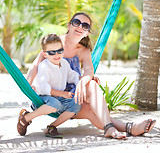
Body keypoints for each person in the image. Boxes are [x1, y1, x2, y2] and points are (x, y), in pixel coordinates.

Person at [26, 12, 156, 139]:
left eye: (85, 26)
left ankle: (115, 128)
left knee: (91, 90)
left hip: (72, 98)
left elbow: (89, 71)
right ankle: (127, 127)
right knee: (90, 102)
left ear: (87, 33)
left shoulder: (83, 51)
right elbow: (35, 65)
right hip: (51, 96)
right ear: (69, 25)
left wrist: (83, 81)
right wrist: (28, 85)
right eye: (76, 22)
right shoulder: (55, 43)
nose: (80, 27)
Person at [17, 34, 81, 138]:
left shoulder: (64, 63)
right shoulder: (44, 66)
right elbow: (43, 88)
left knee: (76, 105)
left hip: (58, 99)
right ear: (45, 54)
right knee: (56, 104)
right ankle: (26, 118)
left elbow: (72, 77)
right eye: (52, 52)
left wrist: (86, 79)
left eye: (59, 50)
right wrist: (62, 93)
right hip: (42, 98)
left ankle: (52, 127)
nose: (57, 55)